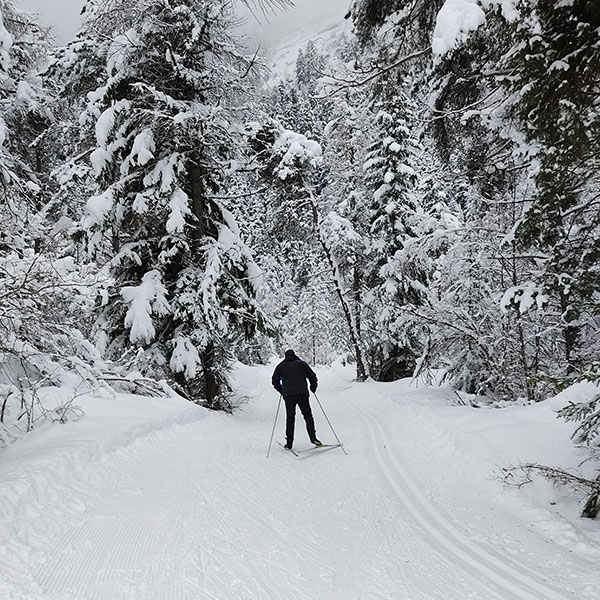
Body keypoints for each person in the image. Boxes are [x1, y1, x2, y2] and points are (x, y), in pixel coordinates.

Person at [271, 349, 321, 450]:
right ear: (294, 355)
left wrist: (281, 390)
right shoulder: (302, 364)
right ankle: (313, 438)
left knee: (290, 418)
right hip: (302, 394)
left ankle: (289, 443)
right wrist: (313, 387)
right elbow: (313, 376)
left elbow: (274, 381)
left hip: (288, 396)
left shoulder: (281, 366)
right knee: (308, 416)